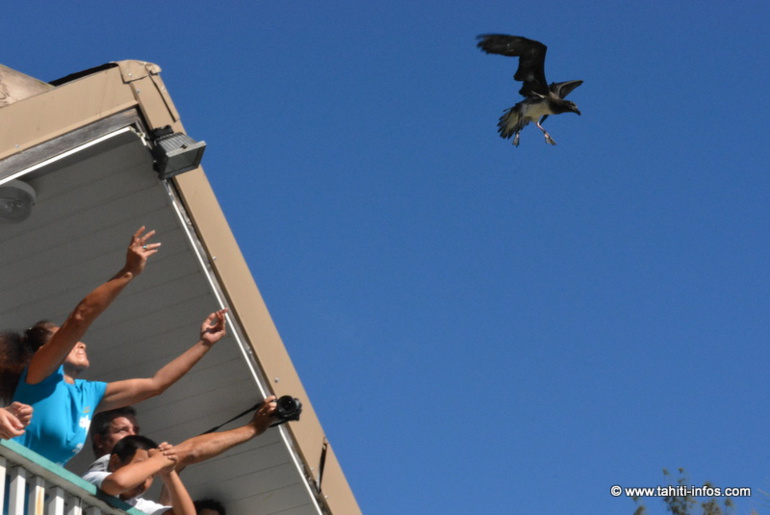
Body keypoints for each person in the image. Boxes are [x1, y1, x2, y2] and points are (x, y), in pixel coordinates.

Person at [3, 227, 229, 465]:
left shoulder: (88, 393)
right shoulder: (39, 374)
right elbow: (80, 317)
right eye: (65, 338)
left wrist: (204, 344)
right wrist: (129, 271)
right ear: (44, 351)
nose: (80, 342)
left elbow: (156, 385)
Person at [86, 396, 278, 477]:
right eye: (123, 430)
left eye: (135, 430)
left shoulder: (136, 492)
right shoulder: (102, 470)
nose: (133, 436)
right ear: (100, 441)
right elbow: (189, 453)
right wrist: (253, 429)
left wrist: (174, 471)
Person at [83, 434, 195, 515]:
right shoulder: (93, 479)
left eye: (152, 474)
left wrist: (168, 472)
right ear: (115, 462)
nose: (144, 479)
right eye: (140, 467)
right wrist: (158, 461)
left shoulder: (138, 505)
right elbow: (119, 483)